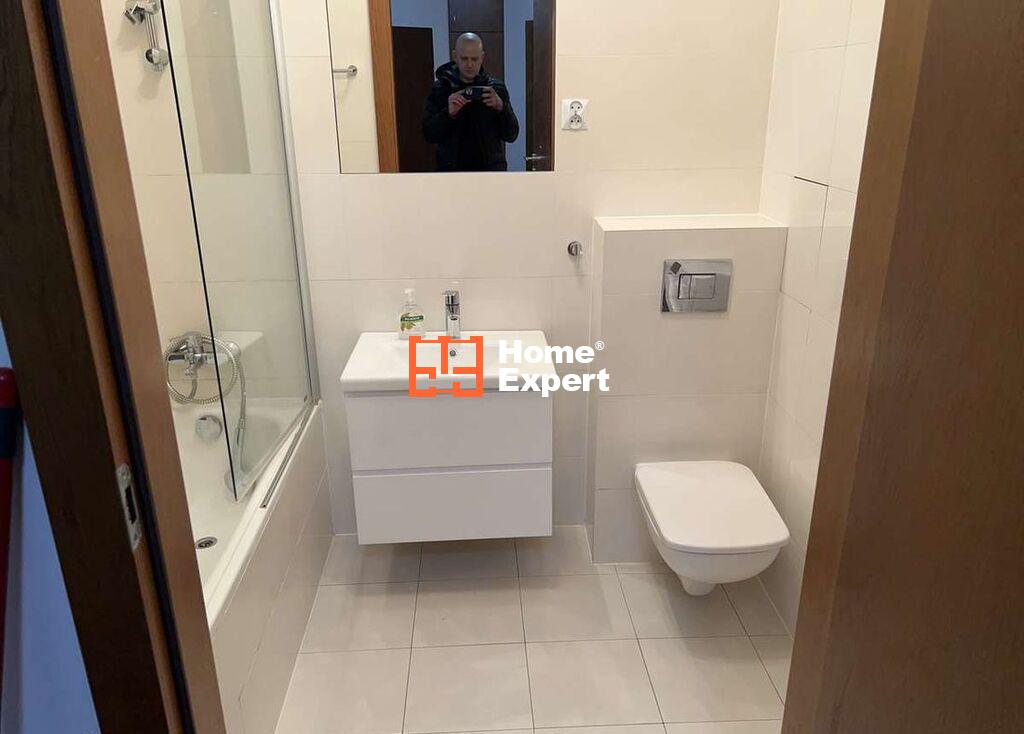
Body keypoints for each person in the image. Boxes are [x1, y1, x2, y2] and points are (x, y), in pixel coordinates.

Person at [423, 33, 519, 172]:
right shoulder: (441, 89)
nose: (469, 64)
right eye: (464, 58)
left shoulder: (496, 89)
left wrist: (501, 108)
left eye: (474, 59)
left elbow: (511, 135)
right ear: (455, 56)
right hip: (451, 174)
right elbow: (429, 134)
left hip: (490, 174)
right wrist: (448, 114)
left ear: (482, 57)